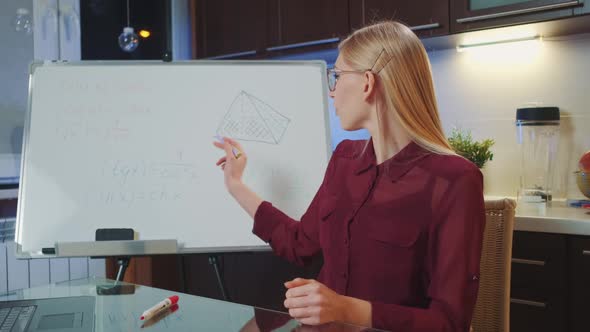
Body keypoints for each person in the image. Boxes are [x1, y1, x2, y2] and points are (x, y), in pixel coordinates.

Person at [214, 20, 485, 332]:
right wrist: (236, 185)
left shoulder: (455, 180)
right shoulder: (344, 159)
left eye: (337, 76)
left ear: (367, 83)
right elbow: (301, 243)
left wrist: (347, 309)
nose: (332, 92)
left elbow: (449, 323)